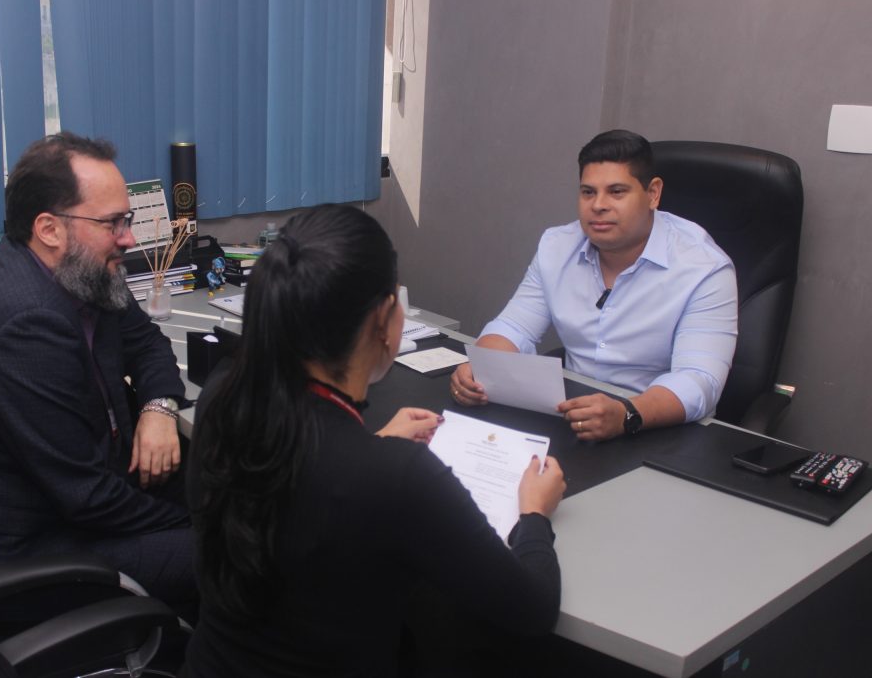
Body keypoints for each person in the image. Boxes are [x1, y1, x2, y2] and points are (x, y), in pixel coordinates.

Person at [183, 204, 566, 677]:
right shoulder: (394, 475)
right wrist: (533, 516)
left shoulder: (222, 394)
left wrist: (373, 445)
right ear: (383, 320)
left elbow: (308, 472)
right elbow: (531, 609)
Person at [0, 132, 195, 606]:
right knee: (234, 552)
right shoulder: (23, 326)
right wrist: (198, 524)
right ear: (49, 229)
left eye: (126, 219)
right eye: (114, 223)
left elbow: (147, 342)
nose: (129, 239)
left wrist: (158, 408)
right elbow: (88, 498)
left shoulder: (84, 274)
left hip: (79, 500)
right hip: (35, 556)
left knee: (230, 482)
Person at [451, 130, 738, 441]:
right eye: (588, 192)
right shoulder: (557, 247)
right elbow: (514, 327)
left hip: (659, 428)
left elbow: (699, 381)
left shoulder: (704, 269)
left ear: (653, 193)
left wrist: (626, 413)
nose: (598, 205)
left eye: (616, 192)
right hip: (574, 419)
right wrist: (480, 368)